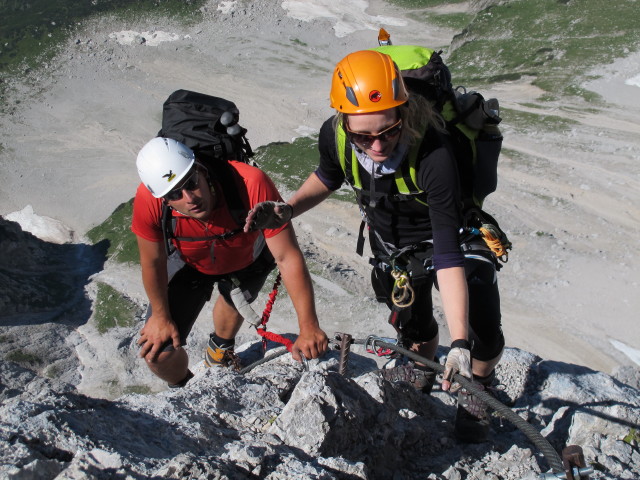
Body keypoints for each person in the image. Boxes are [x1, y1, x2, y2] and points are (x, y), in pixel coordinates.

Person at [245, 50, 505, 442]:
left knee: (482, 322)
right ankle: (420, 368)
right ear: (344, 122)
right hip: (395, 246)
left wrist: (460, 344)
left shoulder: (435, 152)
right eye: (363, 136)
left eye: (388, 130)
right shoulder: (335, 136)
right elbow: (328, 176)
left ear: (403, 113)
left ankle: (478, 390)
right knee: (414, 328)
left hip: (452, 233)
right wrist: (288, 210)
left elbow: (449, 255)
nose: (378, 145)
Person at [131, 136, 328, 389]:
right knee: (159, 354)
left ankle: (220, 350)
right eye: (175, 194)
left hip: (248, 256)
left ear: (201, 169)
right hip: (189, 262)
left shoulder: (250, 183)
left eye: (191, 183)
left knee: (234, 299)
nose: (189, 197)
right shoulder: (150, 201)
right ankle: (188, 389)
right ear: (164, 200)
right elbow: (153, 262)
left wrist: (309, 326)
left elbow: (286, 255)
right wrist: (160, 316)